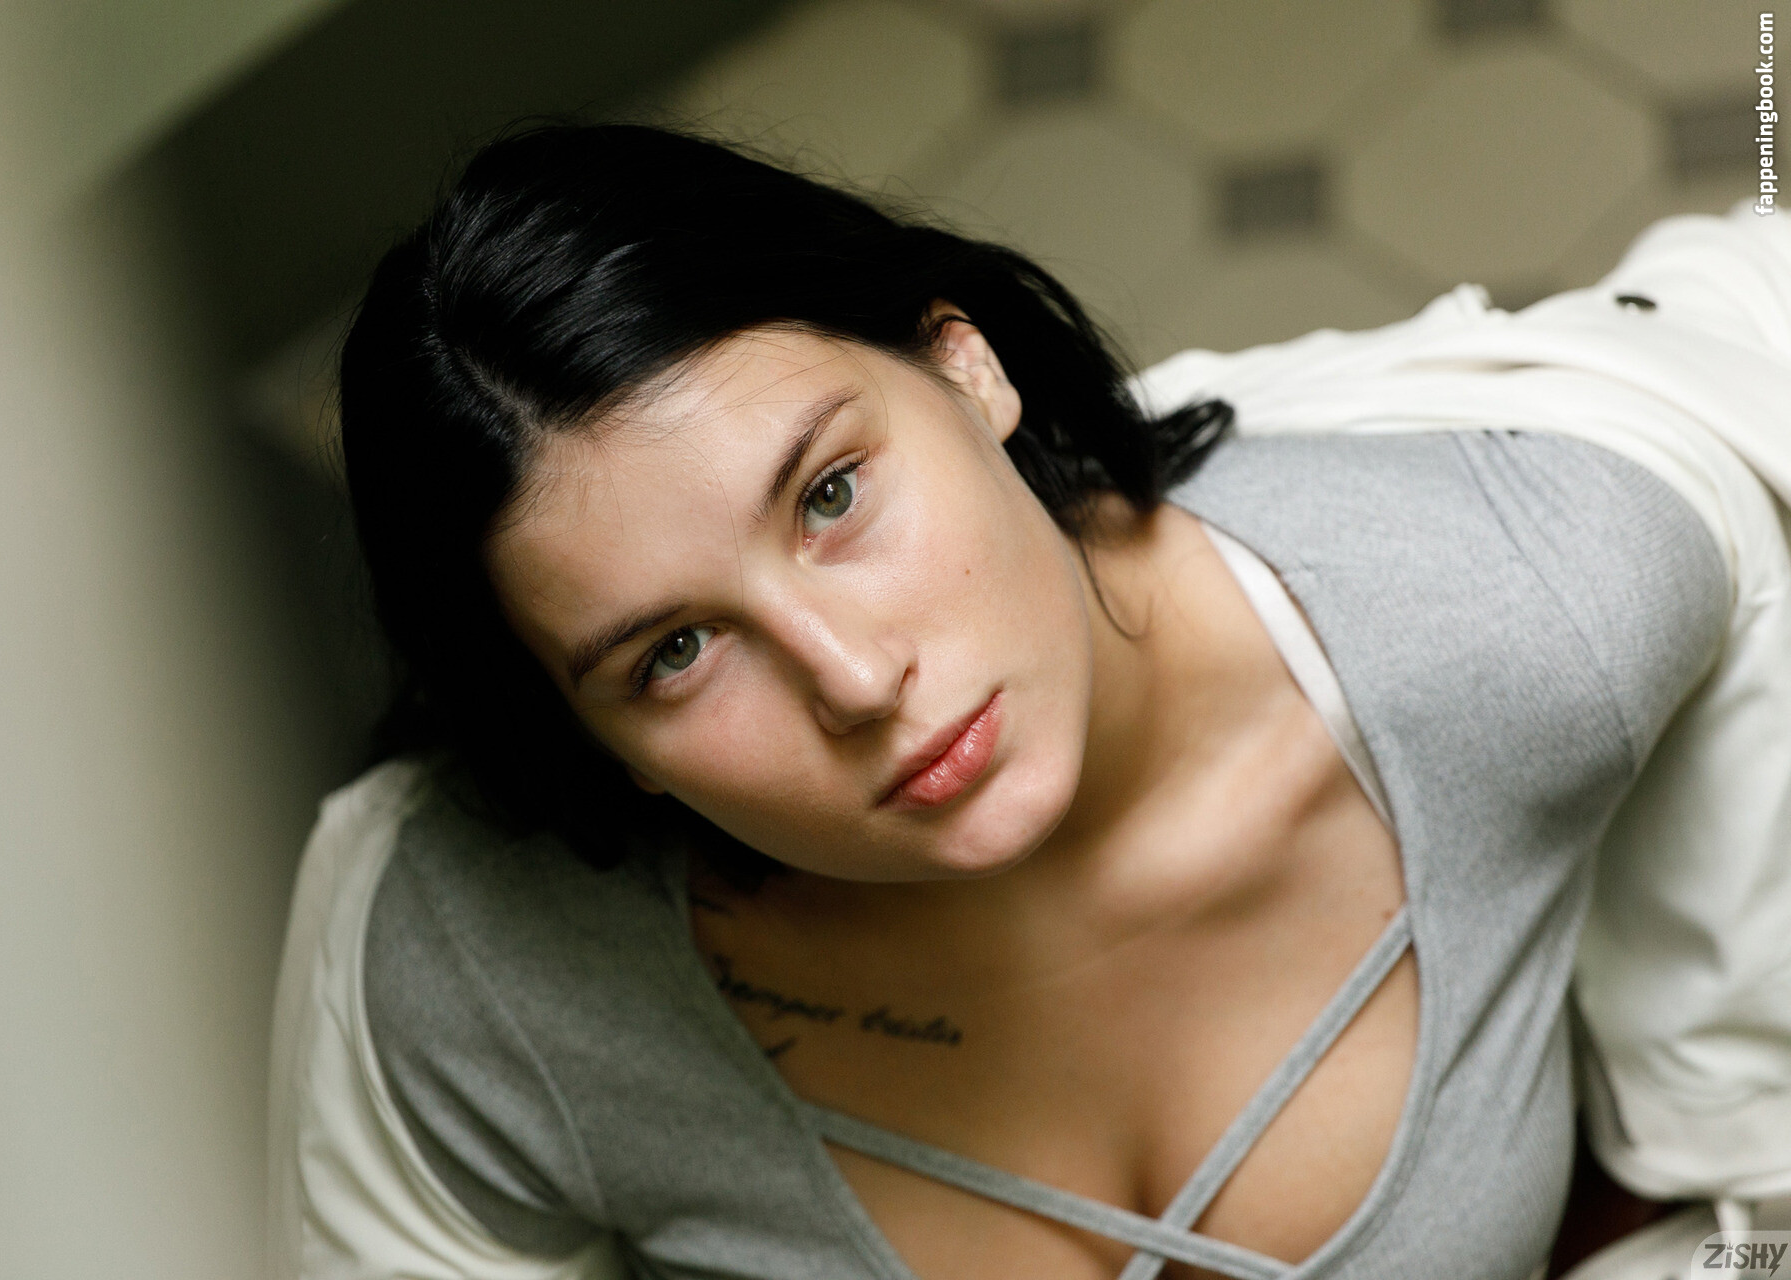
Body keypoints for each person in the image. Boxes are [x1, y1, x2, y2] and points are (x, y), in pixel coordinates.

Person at [268, 123, 1736, 1280]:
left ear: (964, 367)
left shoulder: (1529, 595)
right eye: (674, 653)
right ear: (588, 734)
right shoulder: (471, 979)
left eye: (830, 495)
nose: (854, 681)